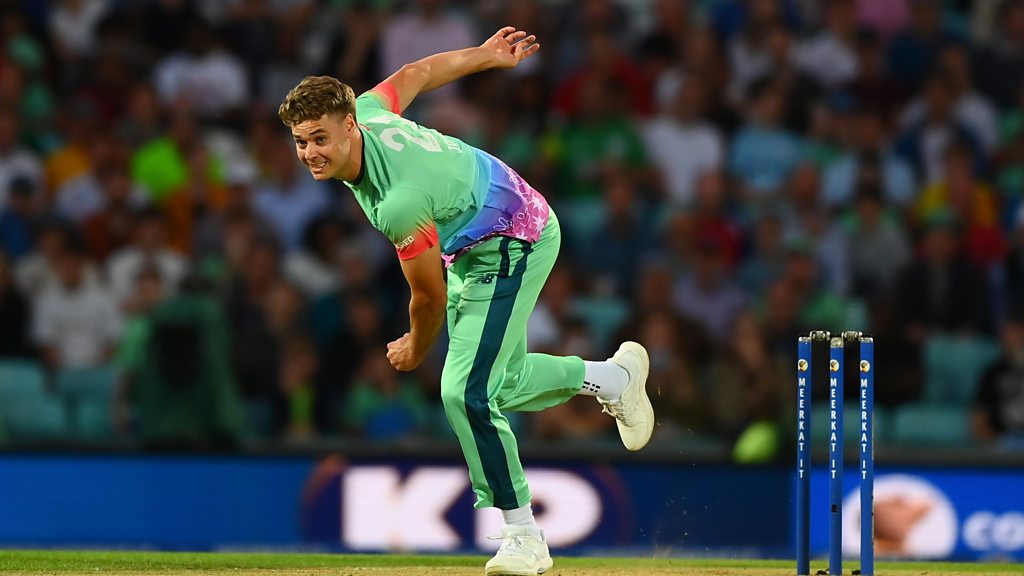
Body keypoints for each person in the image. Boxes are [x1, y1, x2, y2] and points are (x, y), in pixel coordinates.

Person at [277, 27, 654, 575]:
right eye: (301, 141)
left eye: (319, 138)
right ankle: (614, 378)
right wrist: (483, 55)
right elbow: (416, 74)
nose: (310, 153)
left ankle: (524, 535)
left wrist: (415, 347)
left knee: (464, 391)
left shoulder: (400, 202)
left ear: (349, 125)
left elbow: (427, 299)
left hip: (515, 237)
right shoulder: (370, 113)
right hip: (476, 240)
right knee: (501, 382)